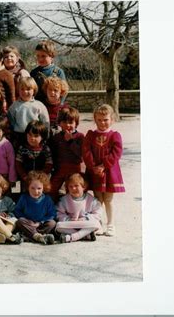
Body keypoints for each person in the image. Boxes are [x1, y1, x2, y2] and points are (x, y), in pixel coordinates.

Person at [82, 104, 125, 237]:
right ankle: (98, 224)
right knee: (97, 198)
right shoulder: (90, 135)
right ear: (95, 119)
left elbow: (116, 153)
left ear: (112, 119)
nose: (102, 123)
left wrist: (103, 165)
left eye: (105, 119)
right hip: (95, 172)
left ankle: (110, 224)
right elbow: (86, 151)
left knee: (108, 199)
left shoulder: (115, 135)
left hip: (109, 171)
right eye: (99, 120)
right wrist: (93, 166)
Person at [48, 107, 84, 202]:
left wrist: (70, 141)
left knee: (73, 190)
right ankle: (54, 209)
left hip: (74, 169)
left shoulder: (80, 137)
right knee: (52, 189)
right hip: (60, 168)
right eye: (64, 122)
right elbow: (53, 153)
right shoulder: (57, 137)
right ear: (59, 123)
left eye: (71, 122)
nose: (67, 125)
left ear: (76, 123)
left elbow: (80, 154)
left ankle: (72, 210)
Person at [56, 173, 102, 243]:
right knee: (59, 226)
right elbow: (59, 213)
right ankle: (85, 235)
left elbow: (98, 213)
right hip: (71, 224)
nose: (73, 188)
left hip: (85, 224)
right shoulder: (64, 200)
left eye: (76, 186)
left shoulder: (91, 199)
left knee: (97, 224)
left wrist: (85, 218)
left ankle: (72, 237)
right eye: (70, 186)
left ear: (83, 187)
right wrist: (68, 219)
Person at [14, 171, 56, 245]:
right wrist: (29, 221)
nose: (36, 191)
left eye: (39, 188)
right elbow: (17, 211)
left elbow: (52, 213)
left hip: (41, 224)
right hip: (28, 224)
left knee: (52, 223)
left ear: (44, 187)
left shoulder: (47, 199)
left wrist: (40, 222)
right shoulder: (24, 198)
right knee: (20, 221)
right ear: (28, 187)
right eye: (32, 188)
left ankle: (30, 236)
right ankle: (38, 236)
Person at [7, 76, 49, 145]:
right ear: (18, 90)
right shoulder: (14, 106)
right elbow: (11, 121)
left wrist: (45, 137)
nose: (25, 92)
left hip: (35, 136)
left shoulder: (39, 105)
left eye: (28, 89)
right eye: (22, 89)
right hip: (19, 136)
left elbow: (45, 122)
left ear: (34, 90)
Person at [15, 120, 53, 192]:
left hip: (41, 180)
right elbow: (18, 163)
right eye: (29, 134)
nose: (32, 138)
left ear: (42, 137)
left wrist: (40, 177)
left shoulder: (45, 149)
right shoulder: (22, 148)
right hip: (25, 179)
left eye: (36, 136)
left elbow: (49, 164)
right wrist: (24, 176)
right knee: (24, 194)